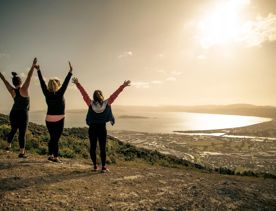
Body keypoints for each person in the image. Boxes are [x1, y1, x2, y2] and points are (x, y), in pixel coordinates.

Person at [72, 77, 131, 172]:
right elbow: (116, 94)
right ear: (101, 96)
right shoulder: (107, 103)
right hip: (102, 128)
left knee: (93, 147)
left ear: (94, 97)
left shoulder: (90, 103)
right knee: (103, 148)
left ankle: (95, 166)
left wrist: (77, 83)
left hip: (92, 128)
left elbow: (84, 94)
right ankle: (103, 167)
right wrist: (123, 86)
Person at [36, 61, 73, 163]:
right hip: (59, 118)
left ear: (48, 86)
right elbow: (65, 83)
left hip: (49, 118)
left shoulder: (46, 93)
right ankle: (55, 157)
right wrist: (70, 72)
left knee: (52, 137)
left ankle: (50, 154)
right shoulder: (60, 93)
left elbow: (41, 82)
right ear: (57, 86)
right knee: (56, 138)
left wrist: (38, 70)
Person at [0, 58, 37, 158]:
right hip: (23, 113)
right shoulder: (24, 89)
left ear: (13, 82)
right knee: (22, 133)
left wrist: (0, 74)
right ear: (20, 82)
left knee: (13, 129)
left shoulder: (11, 90)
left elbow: (4, 80)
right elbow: (29, 76)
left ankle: (8, 146)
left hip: (13, 113)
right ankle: (21, 153)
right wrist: (33, 65)